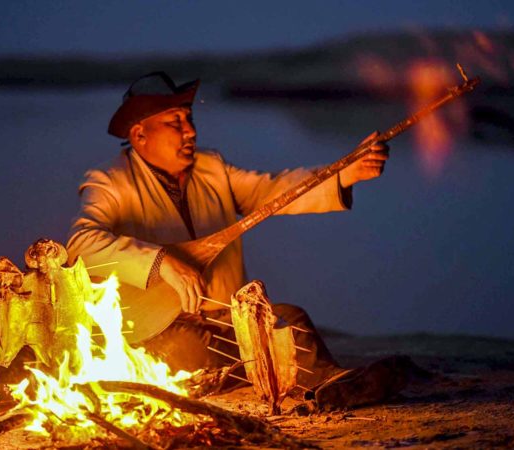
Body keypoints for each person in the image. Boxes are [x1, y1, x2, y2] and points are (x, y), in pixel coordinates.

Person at [67, 72, 403, 407]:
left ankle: (332, 384)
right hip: (159, 329)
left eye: (189, 119)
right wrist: (161, 263)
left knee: (290, 320)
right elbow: (82, 244)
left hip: (224, 317)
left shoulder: (212, 168)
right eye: (175, 122)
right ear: (140, 135)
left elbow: (271, 191)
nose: (190, 131)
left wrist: (343, 173)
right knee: (190, 350)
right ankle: (269, 375)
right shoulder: (110, 181)